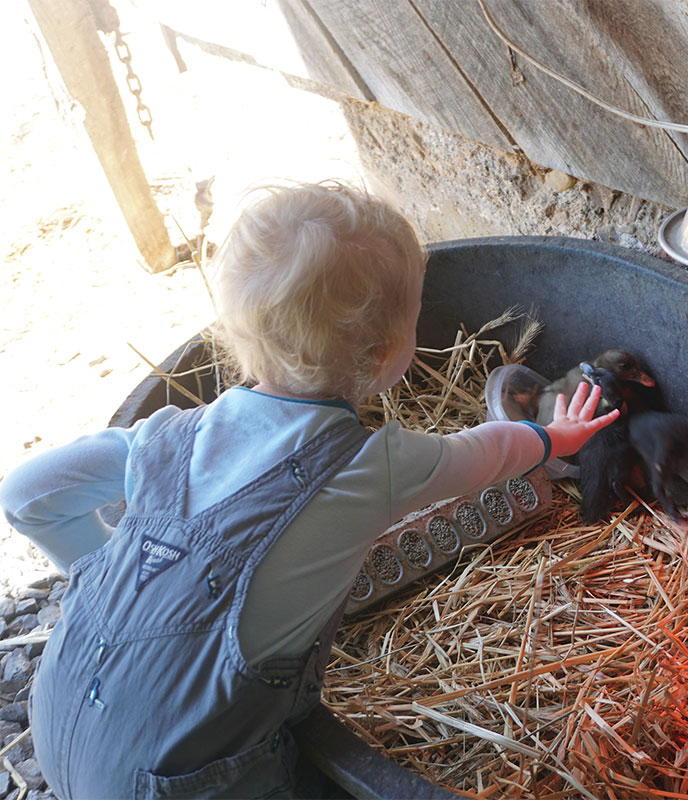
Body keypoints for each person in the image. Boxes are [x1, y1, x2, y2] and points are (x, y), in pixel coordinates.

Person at [0, 180, 618, 798]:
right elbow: (482, 453)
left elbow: (26, 496)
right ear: (387, 354)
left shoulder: (163, 437)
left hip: (54, 717)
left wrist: (131, 587)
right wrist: (551, 438)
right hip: (179, 782)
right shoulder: (373, 463)